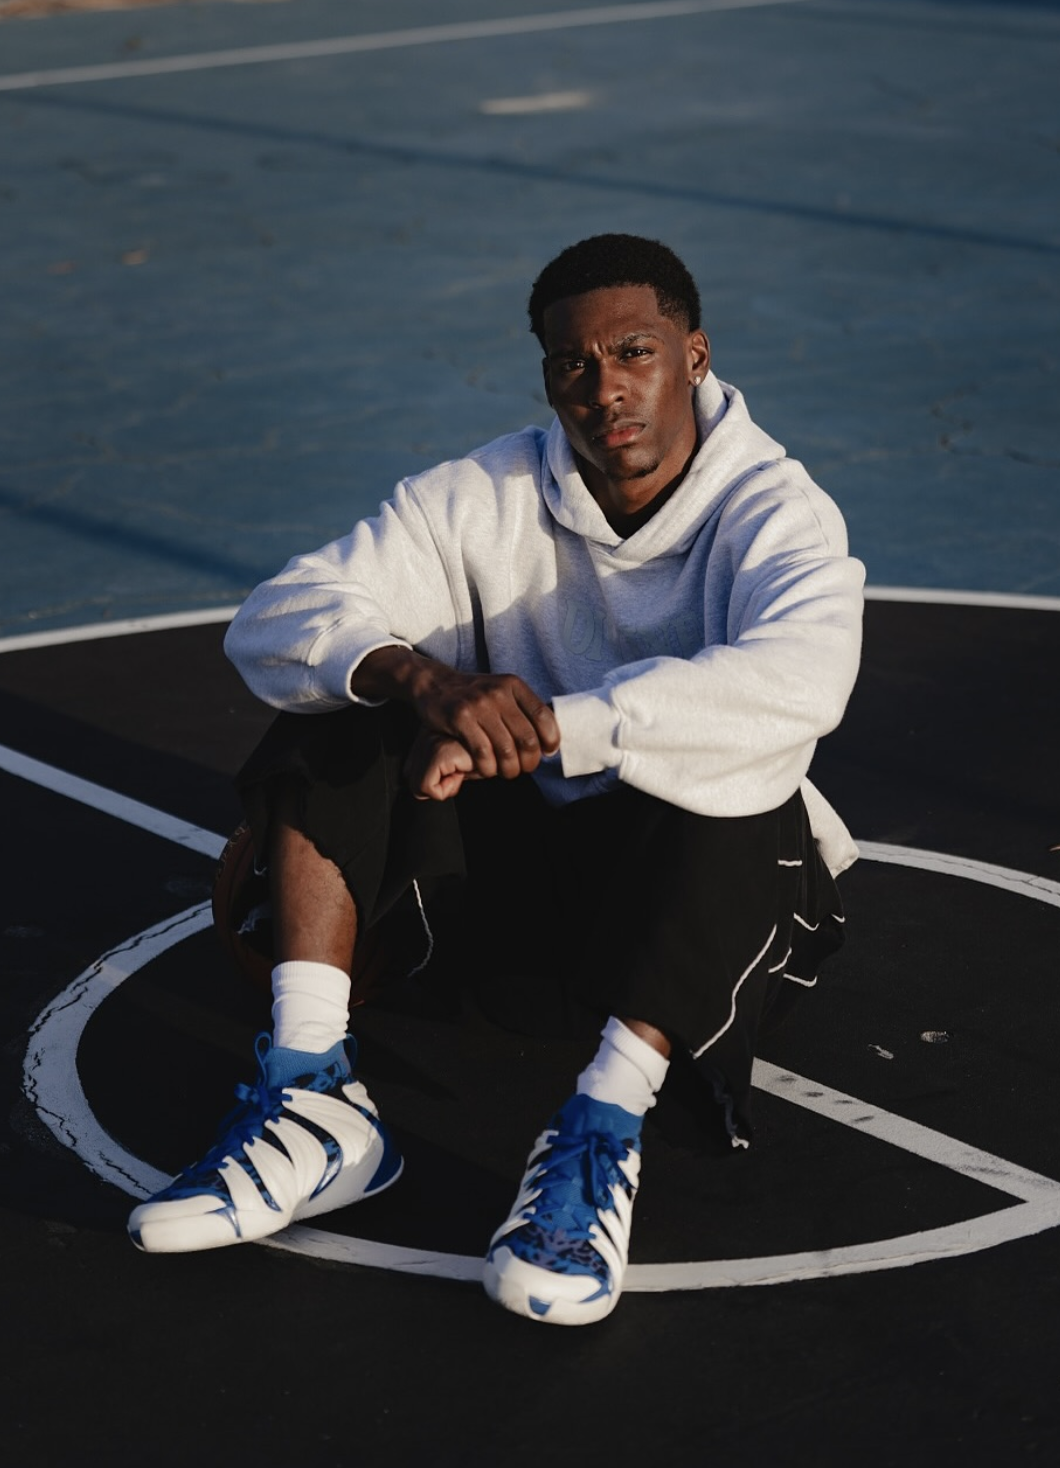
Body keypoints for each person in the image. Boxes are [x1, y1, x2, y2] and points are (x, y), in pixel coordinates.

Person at [128, 234, 864, 1327]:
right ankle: (311, 1093)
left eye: (634, 352)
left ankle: (599, 1131)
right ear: (547, 378)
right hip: (513, 912)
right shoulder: (481, 493)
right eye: (573, 362)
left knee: (741, 760)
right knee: (339, 703)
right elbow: (273, 619)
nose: (604, 387)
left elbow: (803, 680)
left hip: (694, 906)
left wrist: (552, 726)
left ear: (694, 355)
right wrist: (424, 680)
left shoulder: (773, 509)